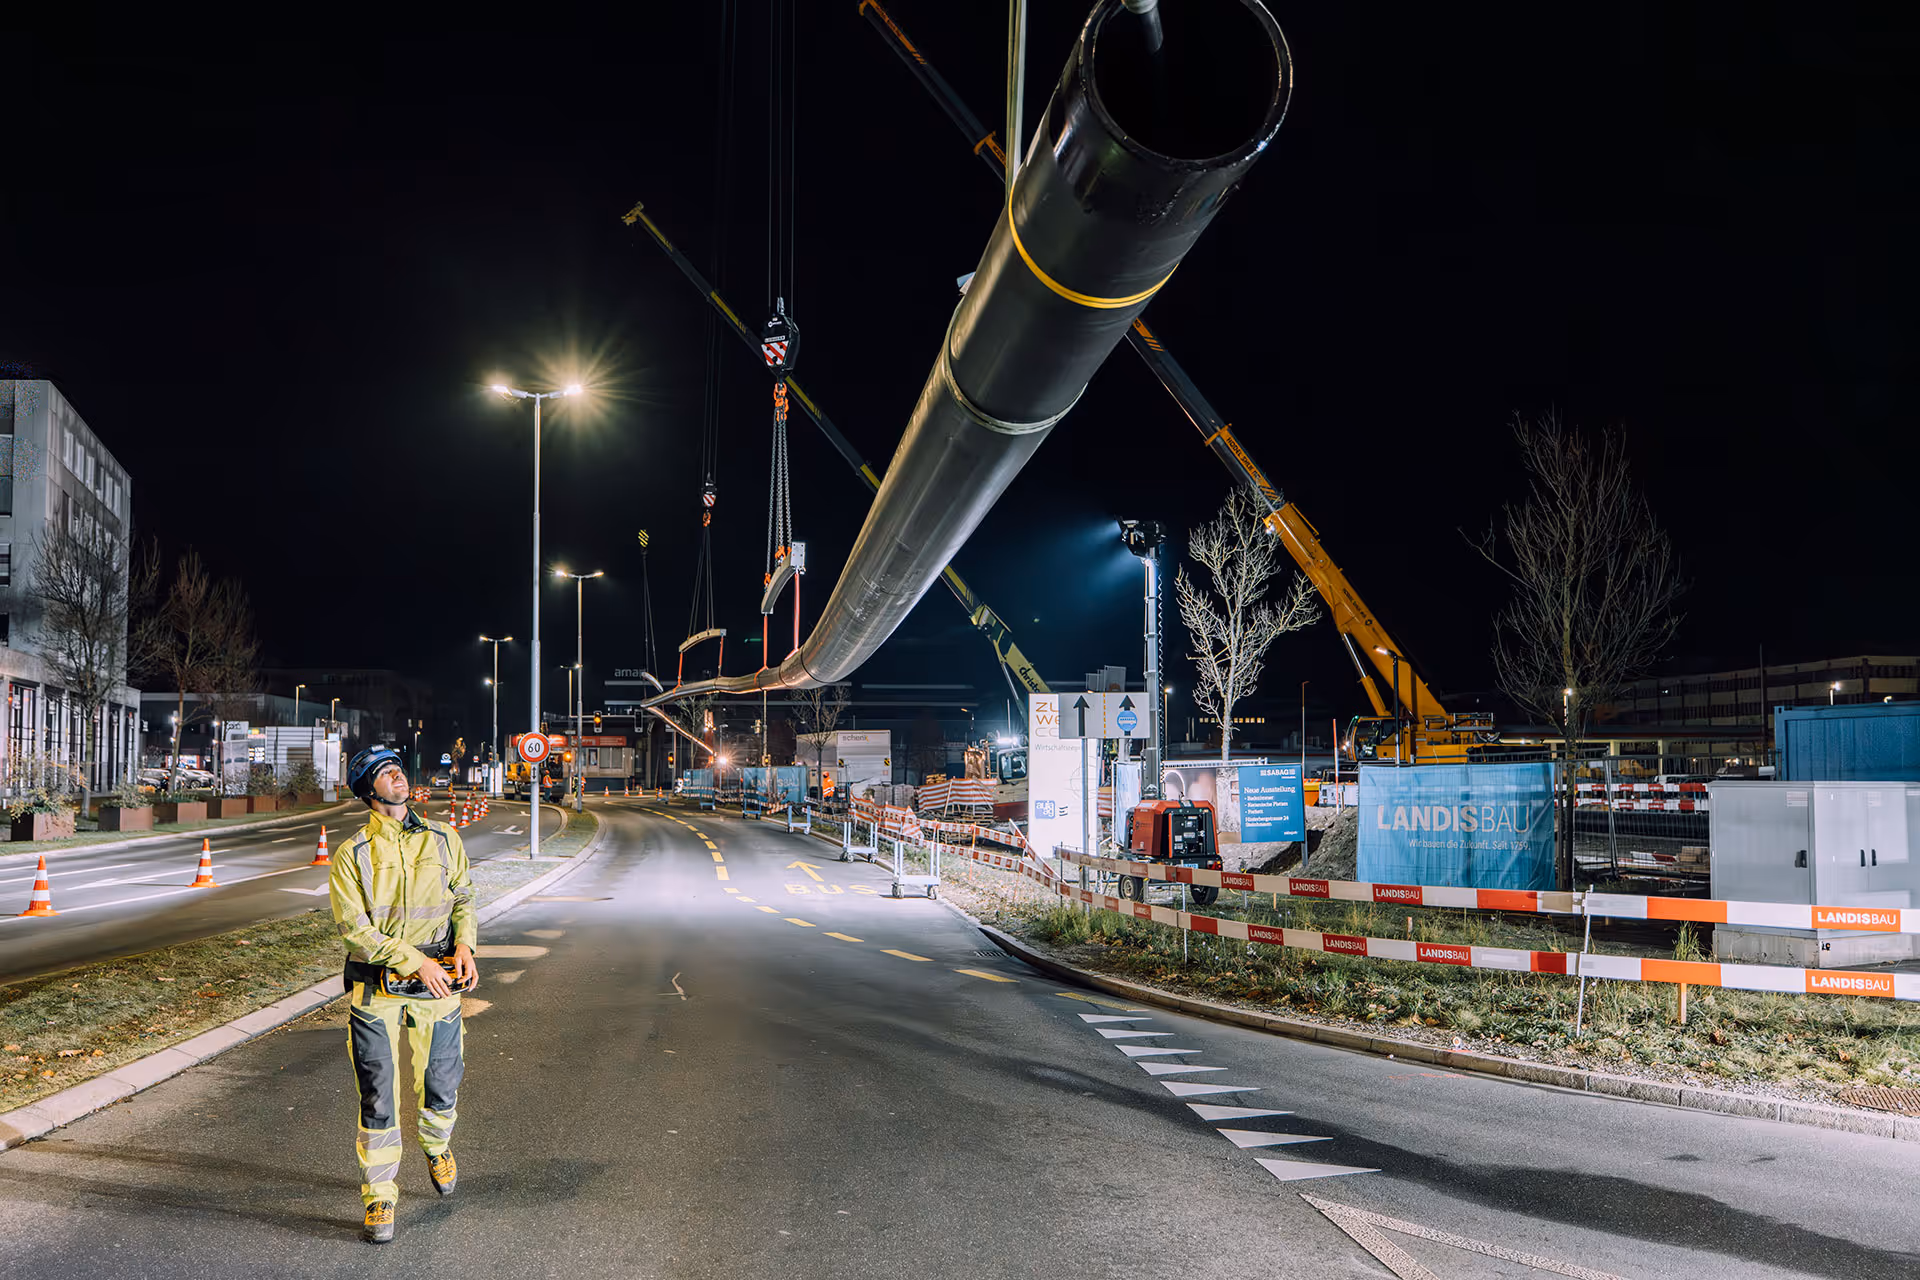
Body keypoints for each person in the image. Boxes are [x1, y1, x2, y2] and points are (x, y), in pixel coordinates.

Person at [330, 745, 479, 1243]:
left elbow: (463, 895)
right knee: (378, 1096)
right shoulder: (351, 855)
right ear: (368, 789)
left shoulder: (443, 838)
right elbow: (355, 931)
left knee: (441, 1081)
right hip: (378, 989)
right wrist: (414, 961)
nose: (399, 777)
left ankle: (436, 1147)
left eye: (398, 769)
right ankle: (379, 1197)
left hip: (440, 983)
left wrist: (466, 945)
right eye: (386, 773)